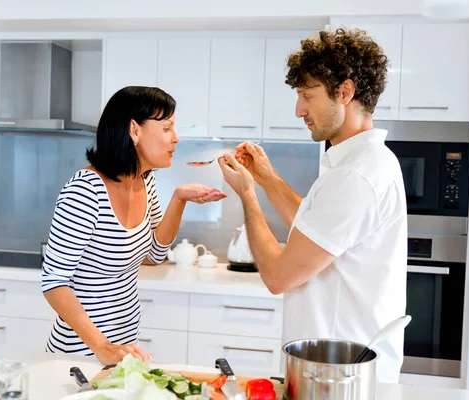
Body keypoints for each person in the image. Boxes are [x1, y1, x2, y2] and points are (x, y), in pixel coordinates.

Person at [218, 28, 407, 383]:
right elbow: (316, 229)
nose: (298, 110)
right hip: (339, 366)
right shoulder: (365, 162)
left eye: (308, 95)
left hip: (339, 374)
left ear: (345, 92)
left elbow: (277, 276)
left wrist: (247, 194)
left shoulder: (355, 176)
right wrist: (268, 179)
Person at [42, 86, 226, 365]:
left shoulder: (145, 180)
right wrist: (101, 346)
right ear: (134, 130)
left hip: (125, 349)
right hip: (81, 355)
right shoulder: (85, 190)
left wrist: (178, 200)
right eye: (167, 128)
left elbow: (154, 256)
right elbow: (54, 282)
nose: (175, 138)